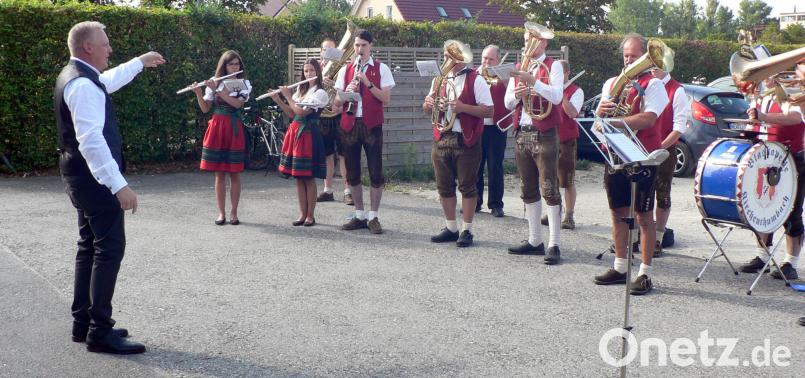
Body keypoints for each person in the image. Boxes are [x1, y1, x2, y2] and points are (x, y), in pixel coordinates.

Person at [55, 21, 165, 354]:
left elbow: (108, 80)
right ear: (88, 47)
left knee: (89, 246)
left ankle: (84, 322)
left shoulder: (77, 76)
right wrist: (119, 185)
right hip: (95, 181)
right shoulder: (83, 86)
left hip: (78, 177)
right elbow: (91, 142)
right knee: (108, 249)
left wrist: (139, 63)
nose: (109, 48)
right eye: (105, 44)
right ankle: (100, 330)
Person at [592, 34, 669, 295]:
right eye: (626, 56)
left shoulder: (654, 85)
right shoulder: (612, 83)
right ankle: (621, 266)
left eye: (634, 56)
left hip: (643, 155)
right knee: (617, 212)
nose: (628, 60)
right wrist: (601, 113)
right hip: (616, 154)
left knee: (644, 216)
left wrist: (614, 122)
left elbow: (648, 119)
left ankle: (645, 273)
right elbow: (599, 123)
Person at [504, 23, 565, 265]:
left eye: (535, 39)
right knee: (527, 189)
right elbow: (508, 103)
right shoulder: (519, 66)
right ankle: (534, 240)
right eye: (528, 38)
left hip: (545, 133)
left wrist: (534, 82)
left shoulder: (555, 66)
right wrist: (519, 92)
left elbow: (558, 96)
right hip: (522, 132)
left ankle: (554, 244)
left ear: (544, 43)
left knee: (549, 188)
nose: (530, 43)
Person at [424, 40, 493, 247]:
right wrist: (428, 105)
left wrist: (463, 107)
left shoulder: (476, 79)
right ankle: (451, 227)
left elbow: (489, 111)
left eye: (450, 56)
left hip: (466, 139)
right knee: (443, 186)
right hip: (442, 137)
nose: (447, 60)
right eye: (445, 55)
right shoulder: (439, 80)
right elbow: (429, 110)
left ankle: (467, 230)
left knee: (467, 186)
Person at [738, 75, 804, 281]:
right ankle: (762, 256)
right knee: (763, 206)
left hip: (792, 157)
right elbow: (757, 123)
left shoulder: (794, 93)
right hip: (766, 157)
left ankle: (790, 263)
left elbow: (796, 118)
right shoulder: (761, 96)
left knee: (791, 210)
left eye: (770, 74)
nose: (766, 78)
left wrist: (764, 116)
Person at [333, 29, 395, 234]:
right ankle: (359, 215)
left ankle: (374, 216)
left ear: (371, 46)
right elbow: (335, 106)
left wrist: (367, 83)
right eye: (357, 46)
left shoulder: (381, 68)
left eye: (363, 46)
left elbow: (386, 99)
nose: (359, 50)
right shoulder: (345, 70)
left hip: (372, 125)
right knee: (352, 172)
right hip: (350, 124)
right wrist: (345, 93)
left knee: (376, 171)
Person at [192, 50, 251, 225]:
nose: (234, 67)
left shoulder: (242, 83)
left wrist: (218, 89)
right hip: (217, 126)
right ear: (224, 66)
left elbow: (238, 104)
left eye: (237, 64)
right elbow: (205, 108)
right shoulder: (216, 81)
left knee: (234, 173)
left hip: (233, 127)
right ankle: (221, 213)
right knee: (219, 173)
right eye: (231, 64)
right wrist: (198, 92)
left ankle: (234, 212)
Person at [272, 59, 329, 226]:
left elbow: (302, 112)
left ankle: (311, 215)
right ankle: (302, 214)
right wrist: (279, 100)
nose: (308, 74)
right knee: (298, 177)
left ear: (318, 72)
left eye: (311, 70)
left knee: (308, 176)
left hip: (309, 133)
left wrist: (288, 96)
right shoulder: (300, 90)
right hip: (296, 132)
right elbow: (292, 113)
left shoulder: (320, 93)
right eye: (306, 71)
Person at [541, 60, 584, 230]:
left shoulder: (576, 91)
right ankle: (553, 212)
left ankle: (569, 216)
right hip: (549, 137)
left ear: (567, 74)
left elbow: (573, 113)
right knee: (548, 177)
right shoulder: (549, 88)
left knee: (567, 180)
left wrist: (563, 95)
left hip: (567, 140)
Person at [651, 67, 689, 256]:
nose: (652, 69)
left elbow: (679, 127)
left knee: (662, 195)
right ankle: (636, 237)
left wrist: (660, 147)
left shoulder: (677, 90)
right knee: (640, 194)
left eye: (657, 65)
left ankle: (657, 238)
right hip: (642, 149)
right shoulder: (647, 84)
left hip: (665, 151)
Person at [475, 44, 510, 218]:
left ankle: (496, 204)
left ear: (498, 60)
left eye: (490, 59)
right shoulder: (474, 73)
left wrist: (504, 79)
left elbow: (511, 97)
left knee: (495, 166)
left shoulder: (504, 74)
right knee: (475, 165)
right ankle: (475, 201)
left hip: (497, 126)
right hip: (478, 125)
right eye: (484, 58)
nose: (486, 62)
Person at [316, 38, 352, 205]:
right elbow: (306, 88)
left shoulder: (344, 68)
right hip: (323, 115)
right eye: (326, 50)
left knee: (344, 155)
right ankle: (327, 190)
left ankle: (348, 191)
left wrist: (338, 89)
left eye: (332, 50)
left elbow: (350, 89)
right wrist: (319, 81)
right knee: (327, 155)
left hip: (338, 114)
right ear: (321, 51)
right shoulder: (316, 68)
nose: (329, 53)